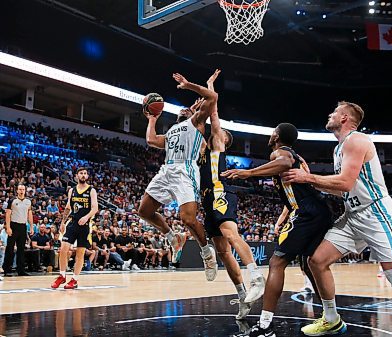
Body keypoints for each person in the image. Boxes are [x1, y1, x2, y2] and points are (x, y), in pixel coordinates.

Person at [281, 101, 392, 336]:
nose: (329, 114)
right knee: (316, 260)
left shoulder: (357, 140)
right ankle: (332, 319)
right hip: (353, 215)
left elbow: (345, 182)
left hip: (376, 213)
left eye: (334, 112)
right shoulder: (339, 148)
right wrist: (311, 181)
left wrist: (309, 178)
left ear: (345, 117)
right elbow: (343, 190)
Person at [222, 123, 332, 337]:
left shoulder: (281, 153)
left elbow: (284, 162)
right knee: (310, 265)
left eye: (273, 132)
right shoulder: (297, 157)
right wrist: (285, 216)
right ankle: (331, 316)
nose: (271, 135)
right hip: (315, 210)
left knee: (277, 262)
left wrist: (250, 172)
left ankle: (265, 327)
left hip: (308, 211)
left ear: (277, 136)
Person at [138, 72, 219, 281]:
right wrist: (152, 119)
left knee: (188, 219)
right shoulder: (173, 130)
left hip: (186, 171)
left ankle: (207, 254)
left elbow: (212, 98)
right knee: (144, 210)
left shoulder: (196, 123)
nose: (184, 109)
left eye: (188, 108)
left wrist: (187, 85)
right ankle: (172, 237)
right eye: (182, 109)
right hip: (167, 170)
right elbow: (151, 140)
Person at [198, 69, 265, 319]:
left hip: (220, 193)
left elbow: (213, 112)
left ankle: (256, 275)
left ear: (225, 140)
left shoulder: (217, 144)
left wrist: (209, 86)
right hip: (207, 199)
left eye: (222, 132)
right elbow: (198, 123)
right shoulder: (202, 148)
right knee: (223, 251)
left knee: (230, 234)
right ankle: (242, 296)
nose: (218, 131)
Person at [51, 167, 98, 289]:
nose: (83, 175)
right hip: (72, 223)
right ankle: (62, 275)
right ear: (77, 176)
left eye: (85, 173)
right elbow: (68, 207)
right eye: (81, 173)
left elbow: (95, 208)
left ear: (87, 176)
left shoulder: (91, 190)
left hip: (85, 225)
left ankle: (74, 279)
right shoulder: (72, 190)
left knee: (80, 253)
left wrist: (86, 217)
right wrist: (62, 222)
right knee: (63, 249)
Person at [3, 184, 34, 277]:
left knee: (21, 249)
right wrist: (8, 227)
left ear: (25, 191)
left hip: (23, 226)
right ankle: (7, 269)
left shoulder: (28, 201)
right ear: (17, 190)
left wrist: (31, 227)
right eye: (20, 189)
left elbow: (30, 214)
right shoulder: (12, 200)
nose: (21, 191)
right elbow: (8, 214)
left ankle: (21, 270)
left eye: (23, 189)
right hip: (13, 225)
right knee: (10, 248)